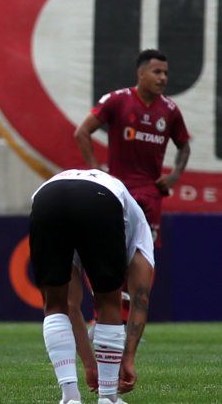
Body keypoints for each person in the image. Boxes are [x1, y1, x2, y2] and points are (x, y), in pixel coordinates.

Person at [74, 48, 189, 323]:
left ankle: (129, 320)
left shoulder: (170, 110)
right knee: (109, 255)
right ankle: (102, 316)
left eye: (165, 73)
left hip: (151, 194)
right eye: (157, 72)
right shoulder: (117, 101)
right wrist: (94, 169)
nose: (163, 78)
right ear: (141, 73)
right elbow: (82, 132)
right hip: (118, 193)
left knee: (143, 258)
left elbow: (184, 146)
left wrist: (173, 177)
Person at [29, 169, 154, 404]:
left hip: (47, 197)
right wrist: (128, 358)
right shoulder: (141, 232)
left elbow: (70, 305)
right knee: (108, 301)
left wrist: (89, 363)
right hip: (100, 199)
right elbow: (141, 298)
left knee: (54, 304)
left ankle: (69, 397)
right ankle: (108, 398)